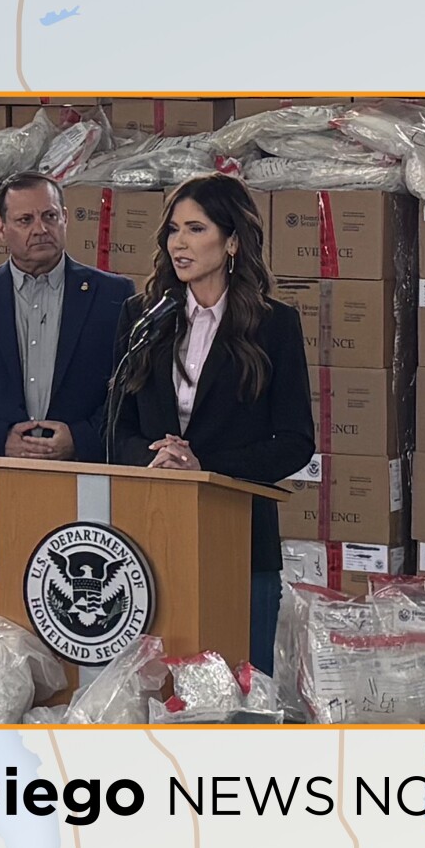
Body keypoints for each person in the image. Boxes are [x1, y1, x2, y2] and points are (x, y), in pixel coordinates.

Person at [109, 173, 314, 674]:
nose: (179, 243)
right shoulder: (141, 317)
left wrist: (204, 467)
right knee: (158, 687)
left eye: (196, 229)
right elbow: (113, 428)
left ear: (232, 242)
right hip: (151, 532)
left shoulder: (275, 325)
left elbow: (294, 443)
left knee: (242, 689)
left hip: (240, 540)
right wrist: (155, 458)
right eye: (174, 230)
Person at [0, 172, 135, 612]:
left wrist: (81, 436)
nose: (40, 228)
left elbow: (131, 391)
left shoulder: (113, 295)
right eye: (24, 220)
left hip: (84, 489)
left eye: (49, 216)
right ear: (1, 228)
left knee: (80, 619)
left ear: (65, 220)